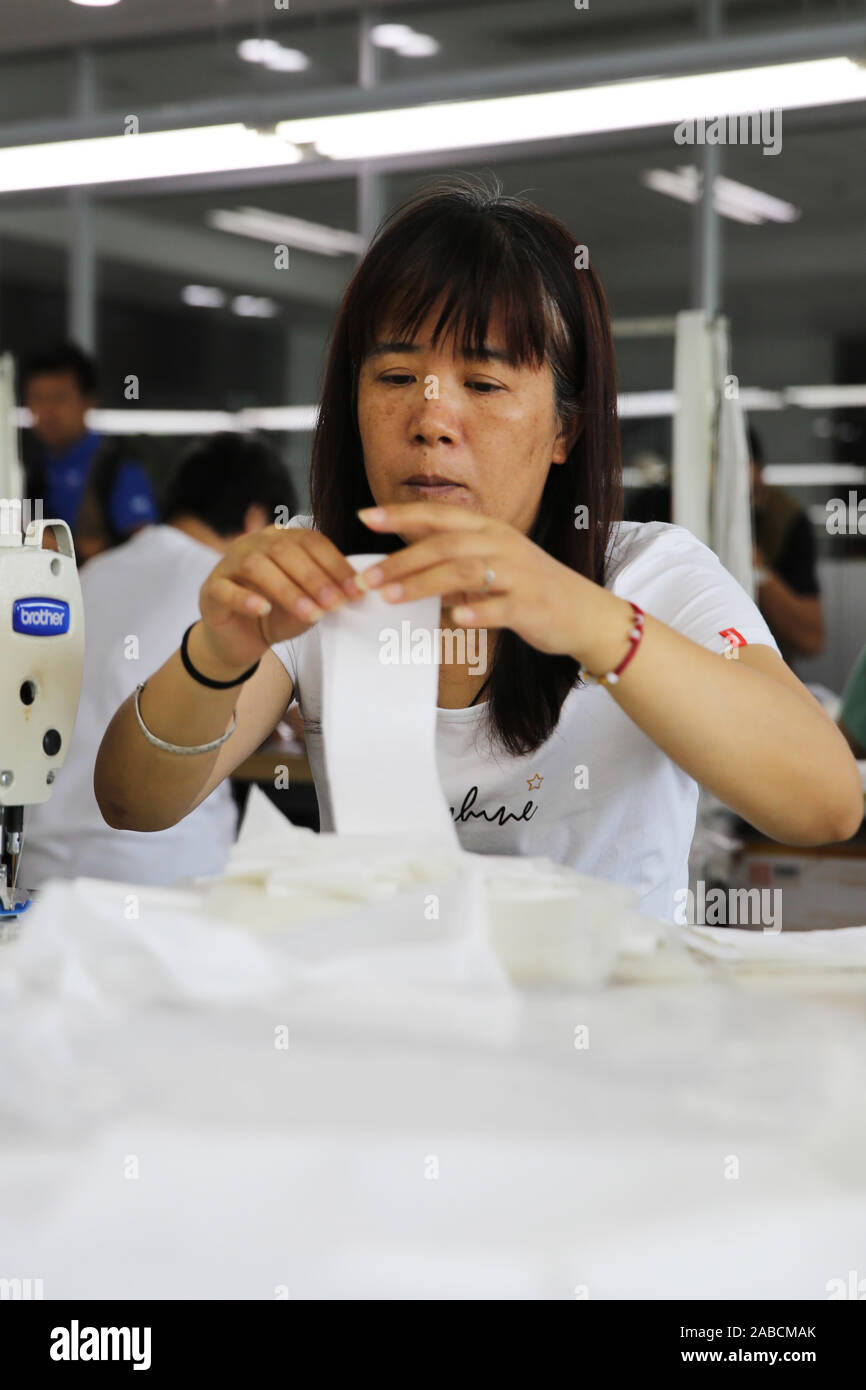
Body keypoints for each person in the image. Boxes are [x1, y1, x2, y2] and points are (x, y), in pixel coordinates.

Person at [94, 177, 864, 924]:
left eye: (484, 384)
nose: (431, 417)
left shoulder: (652, 574)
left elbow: (826, 804)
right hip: (399, 1025)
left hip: (616, 1037)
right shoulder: (321, 583)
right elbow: (135, 802)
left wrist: (593, 624)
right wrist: (216, 652)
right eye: (396, 375)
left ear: (564, 429)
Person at [20, 432, 296, 889]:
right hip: (169, 875)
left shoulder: (85, 576)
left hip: (40, 872)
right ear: (254, 519)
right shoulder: (232, 594)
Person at [20, 341, 160, 565]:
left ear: (88, 401)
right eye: (37, 398)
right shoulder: (29, 469)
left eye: (58, 398)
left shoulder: (116, 468)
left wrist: (63, 551)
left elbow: (145, 554)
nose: (47, 412)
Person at [748, 425, 825, 664]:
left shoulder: (785, 520)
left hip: (768, 675)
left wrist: (758, 571)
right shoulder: (662, 511)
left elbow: (812, 638)